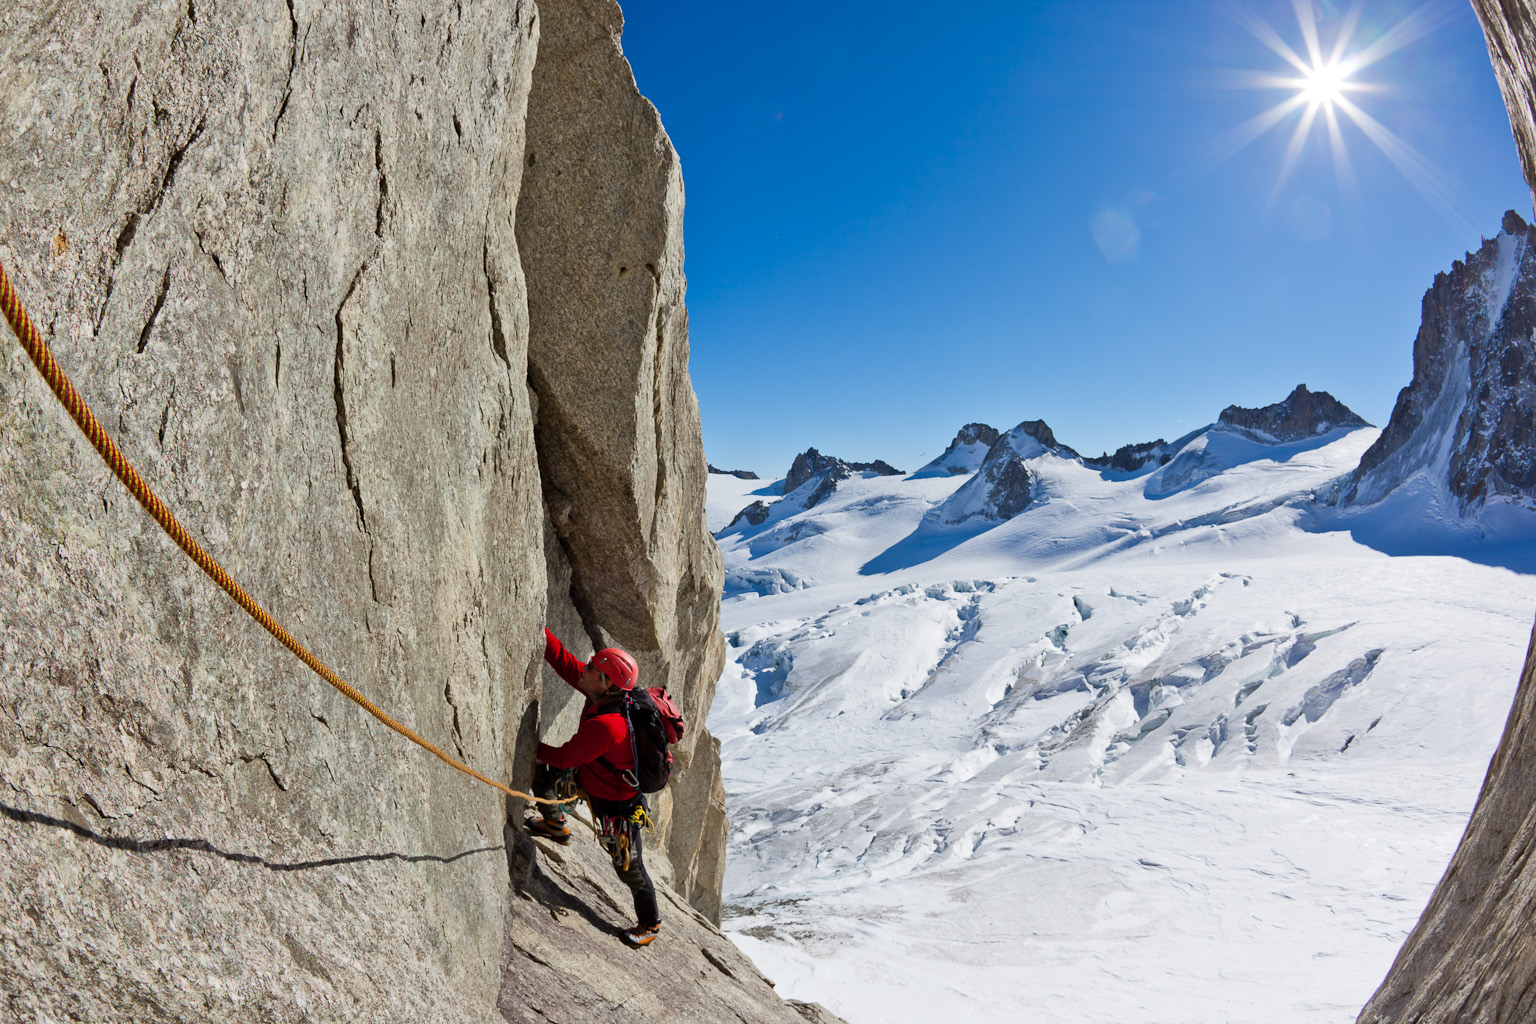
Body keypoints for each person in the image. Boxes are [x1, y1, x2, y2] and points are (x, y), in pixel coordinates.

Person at [528, 628, 661, 948]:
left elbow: (562, 757)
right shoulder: (603, 693)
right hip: (592, 780)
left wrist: (524, 744)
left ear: (606, 682)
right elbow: (567, 664)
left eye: (591, 668)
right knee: (544, 778)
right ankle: (555, 824)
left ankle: (650, 923)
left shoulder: (609, 725)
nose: (584, 669)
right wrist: (541, 630)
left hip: (617, 806)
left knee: (629, 867)